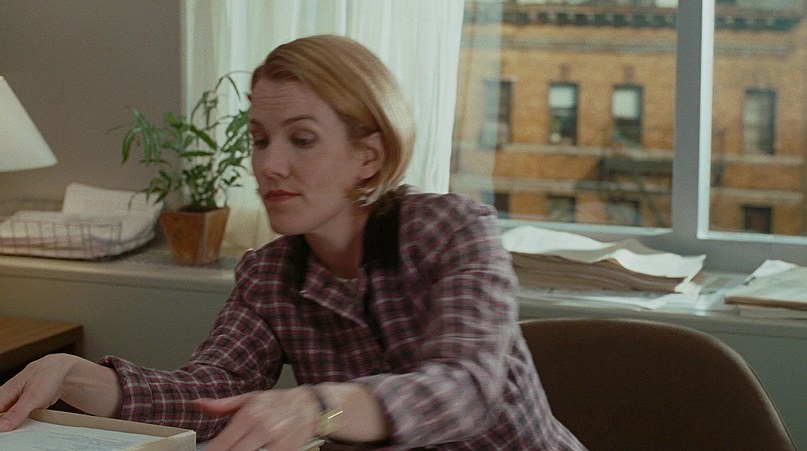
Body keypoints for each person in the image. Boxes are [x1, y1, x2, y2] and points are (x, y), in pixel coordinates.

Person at [0, 35, 585, 450]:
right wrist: (74, 375)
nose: (269, 164)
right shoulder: (269, 275)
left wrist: (319, 407)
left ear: (369, 156)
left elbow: (466, 388)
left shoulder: (454, 231)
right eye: (260, 139)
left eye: (301, 139)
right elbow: (210, 392)